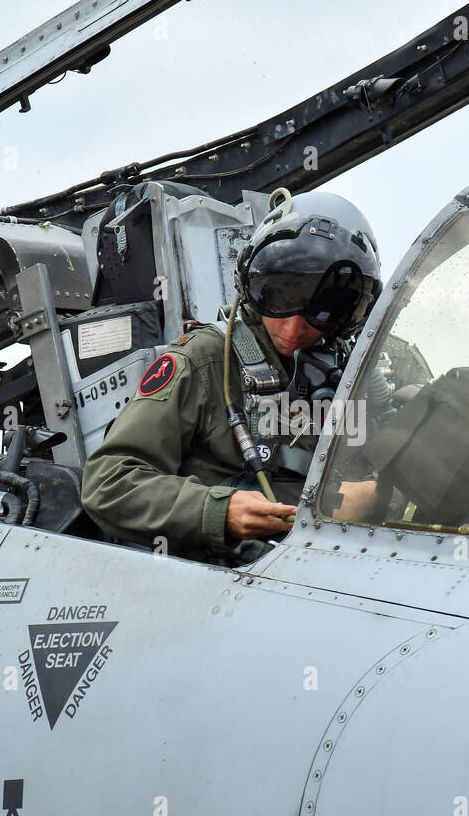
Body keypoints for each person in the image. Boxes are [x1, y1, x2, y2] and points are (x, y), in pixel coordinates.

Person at [81, 190, 383, 564]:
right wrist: (217, 511)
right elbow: (108, 483)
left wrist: (374, 495)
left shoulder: (352, 372)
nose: (291, 329)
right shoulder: (205, 359)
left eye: (315, 316)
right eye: (279, 302)